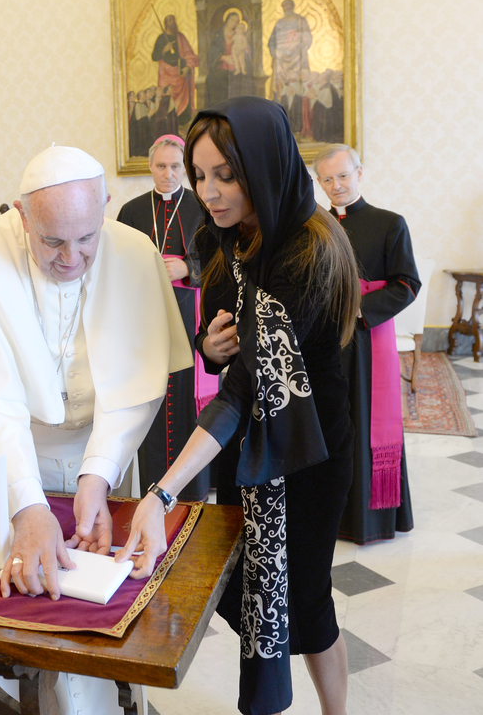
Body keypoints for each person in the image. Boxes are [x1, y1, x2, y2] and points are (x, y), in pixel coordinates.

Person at [0, 145, 192, 715]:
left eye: (87, 237)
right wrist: (27, 504)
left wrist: (98, 472)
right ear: (22, 217)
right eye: (52, 242)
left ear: (106, 208)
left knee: (93, 600)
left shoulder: (135, 253)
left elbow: (136, 384)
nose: (73, 257)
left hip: (96, 448)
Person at [116, 96, 361, 715]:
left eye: (227, 175)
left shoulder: (311, 251)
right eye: (200, 176)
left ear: (265, 166)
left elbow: (247, 383)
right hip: (248, 449)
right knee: (249, 582)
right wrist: (210, 343)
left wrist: (163, 491)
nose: (211, 191)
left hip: (308, 446)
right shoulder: (219, 240)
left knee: (306, 592)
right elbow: (221, 347)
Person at [314, 144, 420, 545]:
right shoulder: (314, 224)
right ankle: (330, 516)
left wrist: (357, 310)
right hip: (322, 342)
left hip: (365, 340)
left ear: (360, 173)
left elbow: (407, 283)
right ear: (319, 182)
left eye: (343, 175)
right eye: (327, 178)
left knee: (364, 423)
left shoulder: (390, 223)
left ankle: (367, 521)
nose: (336, 185)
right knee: (329, 423)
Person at [117, 135, 211, 501]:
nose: (168, 174)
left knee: (186, 401)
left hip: (190, 320)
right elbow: (118, 261)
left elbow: (221, 256)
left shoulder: (203, 207)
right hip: (145, 319)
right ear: (151, 167)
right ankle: (152, 487)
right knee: (150, 398)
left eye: (175, 167)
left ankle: (193, 490)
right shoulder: (132, 211)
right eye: (161, 166)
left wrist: (188, 267)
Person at [151, 13, 199, 125]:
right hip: (165, 73)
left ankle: (182, 123)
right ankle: (166, 123)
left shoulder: (180, 37)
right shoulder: (161, 38)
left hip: (180, 73)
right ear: (165, 24)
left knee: (182, 100)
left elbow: (189, 54)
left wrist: (187, 67)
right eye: (169, 21)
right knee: (166, 97)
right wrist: (164, 50)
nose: (171, 23)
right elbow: (154, 56)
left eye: (173, 20)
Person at [268, 0, 313, 103]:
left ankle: (296, 107)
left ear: (292, 7)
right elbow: (272, 41)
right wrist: (275, 51)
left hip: (297, 57)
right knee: (278, 78)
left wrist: (297, 45)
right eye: (284, 7)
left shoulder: (300, 20)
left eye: (288, 6)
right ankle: (279, 103)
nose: (286, 9)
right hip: (281, 59)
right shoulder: (279, 23)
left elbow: (307, 38)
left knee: (298, 81)